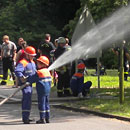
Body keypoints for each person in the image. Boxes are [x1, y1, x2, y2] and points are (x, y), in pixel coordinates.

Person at [15, 46, 36, 124]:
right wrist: (22, 77)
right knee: (26, 100)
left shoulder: (33, 62)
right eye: (31, 55)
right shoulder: (23, 62)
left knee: (28, 100)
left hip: (30, 84)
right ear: (27, 54)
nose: (33, 57)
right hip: (25, 85)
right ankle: (25, 118)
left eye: (33, 55)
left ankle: (27, 116)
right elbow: (17, 71)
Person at [27, 56, 52, 124]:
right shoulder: (48, 71)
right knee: (47, 104)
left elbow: (32, 79)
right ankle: (47, 118)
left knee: (41, 104)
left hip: (41, 90)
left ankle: (42, 118)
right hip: (47, 90)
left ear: (43, 64)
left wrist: (27, 80)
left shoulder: (39, 72)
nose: (37, 64)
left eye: (38, 63)